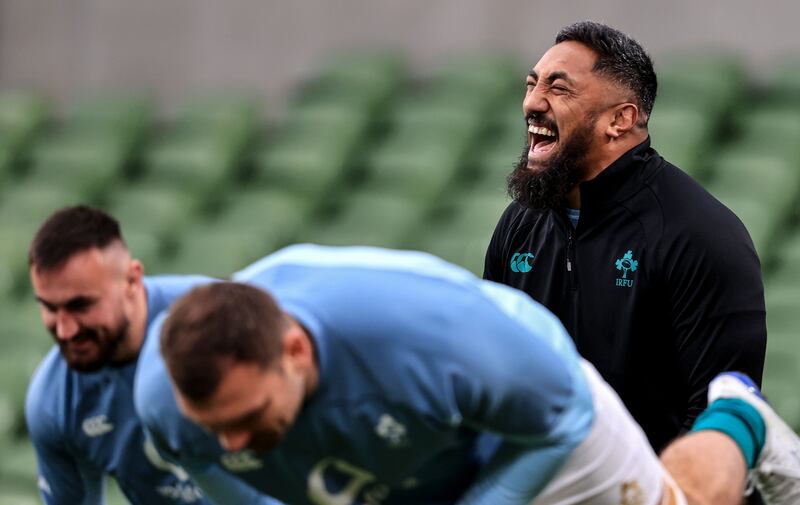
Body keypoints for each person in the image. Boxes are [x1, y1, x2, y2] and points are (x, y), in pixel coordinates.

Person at [134, 244, 800, 505]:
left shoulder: (434, 332)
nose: (233, 442)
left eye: (247, 419)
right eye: (214, 426)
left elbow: (559, 416)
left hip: (539, 427)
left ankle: (738, 415)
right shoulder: (169, 398)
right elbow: (208, 464)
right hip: (407, 464)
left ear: (296, 352)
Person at [483, 20, 767, 453]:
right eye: (532, 83)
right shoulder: (519, 225)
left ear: (620, 119)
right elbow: (493, 375)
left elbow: (718, 424)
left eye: (558, 89)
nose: (532, 103)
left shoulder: (700, 235)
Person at [24, 206, 281, 505]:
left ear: (132, 280)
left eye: (81, 306)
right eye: (50, 308)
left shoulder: (230, 323)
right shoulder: (54, 403)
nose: (66, 330)